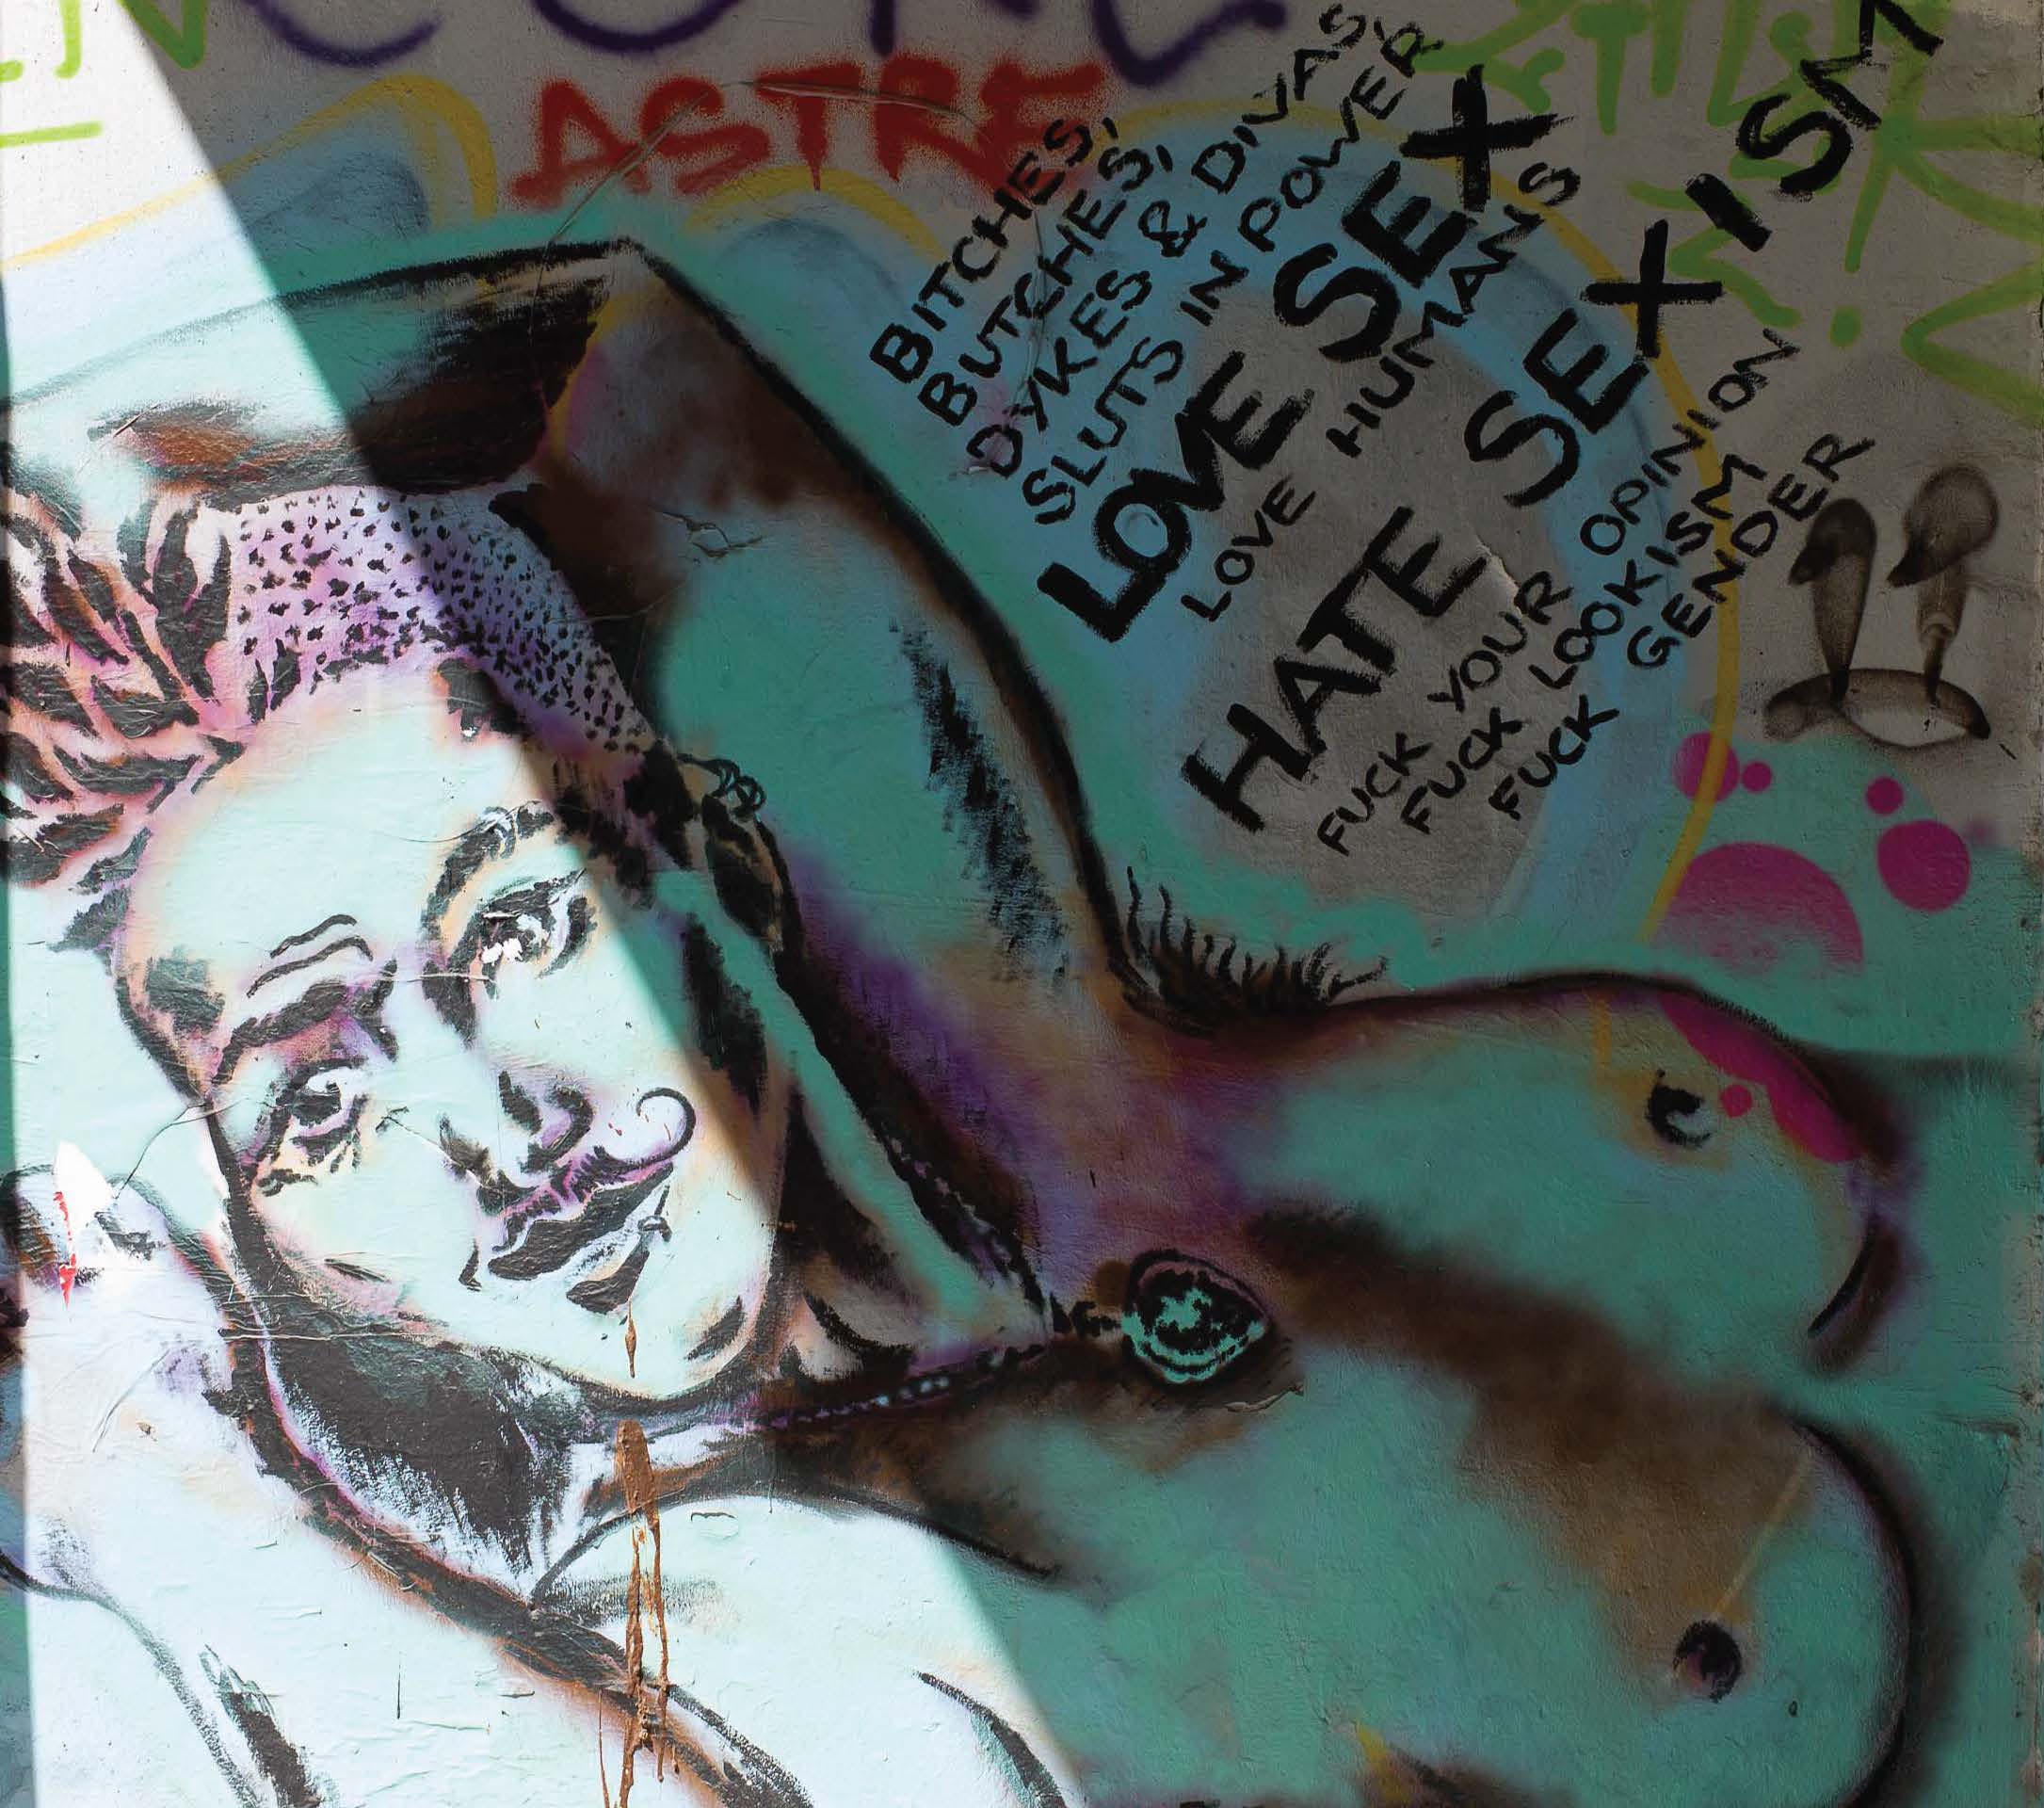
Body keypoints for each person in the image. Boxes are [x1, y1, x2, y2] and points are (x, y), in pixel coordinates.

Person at [0, 452, 1915, 1804]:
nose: (500, 1128)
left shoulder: (1085, 1079)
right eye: (320, 1096)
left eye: (519, 926)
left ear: (718, 867)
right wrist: (185, 1521)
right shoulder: (730, 1617)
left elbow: (627, 364)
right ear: (269, 1239)